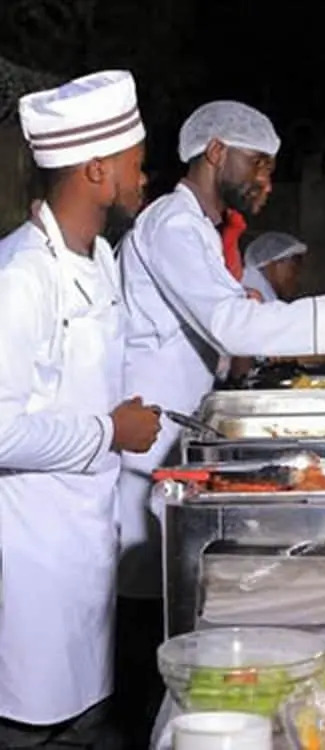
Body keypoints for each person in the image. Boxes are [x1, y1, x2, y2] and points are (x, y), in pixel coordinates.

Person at [114, 100, 325, 744]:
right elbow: (231, 326)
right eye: (259, 165)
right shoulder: (172, 223)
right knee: (145, 630)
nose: (266, 182)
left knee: (162, 618)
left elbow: (226, 322)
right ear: (216, 152)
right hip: (143, 449)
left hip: (174, 439)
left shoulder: (199, 231)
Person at [0, 70, 161, 747]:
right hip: (33, 561)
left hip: (87, 547)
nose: (144, 178)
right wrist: (108, 430)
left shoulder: (101, 259)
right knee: (32, 721)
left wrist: (112, 416)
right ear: (97, 171)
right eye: (136, 163)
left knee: (89, 713)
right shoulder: (20, 276)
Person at [241, 230, 307, 303]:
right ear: (275, 263)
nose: (298, 278)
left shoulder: (262, 294)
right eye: (294, 269)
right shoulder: (251, 297)